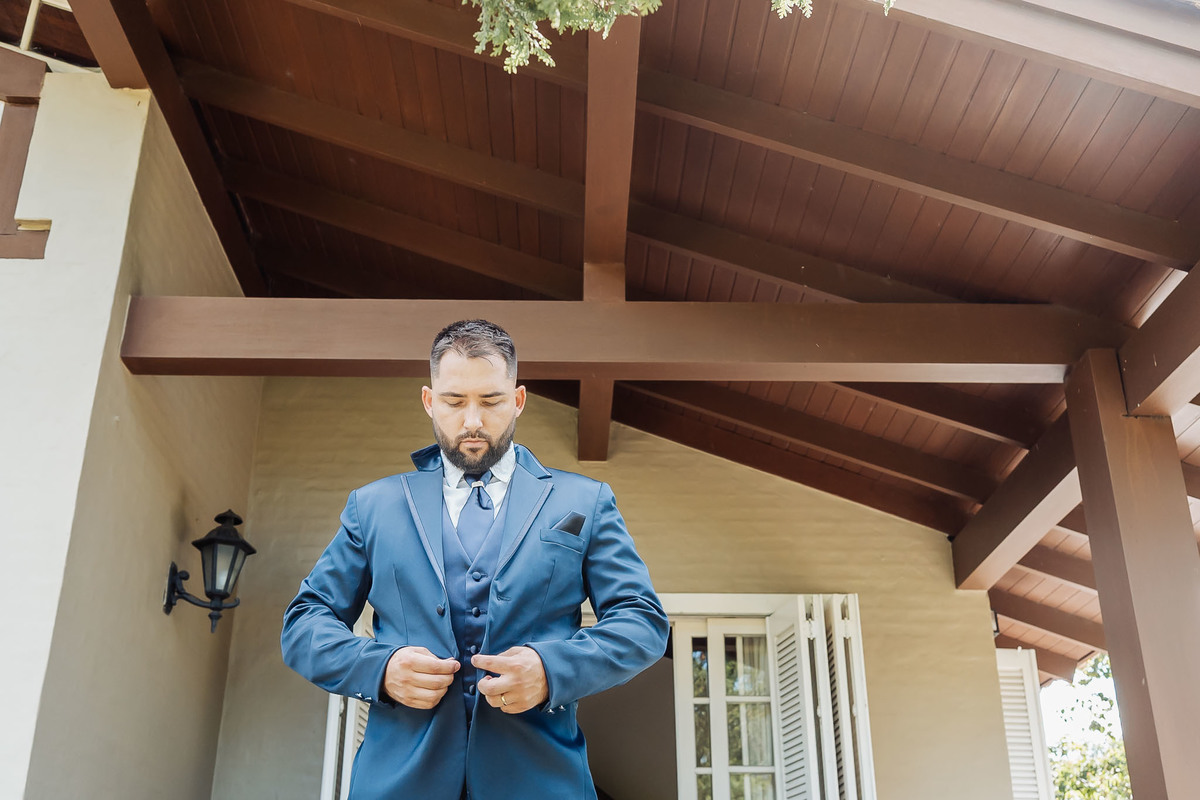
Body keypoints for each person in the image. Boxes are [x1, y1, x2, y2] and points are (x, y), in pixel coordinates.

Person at [281, 319, 669, 800]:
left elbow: (643, 622)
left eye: (490, 401)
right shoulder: (373, 505)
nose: (472, 421)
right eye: (453, 401)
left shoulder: (584, 501)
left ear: (518, 400)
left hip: (541, 781)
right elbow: (303, 624)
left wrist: (552, 669)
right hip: (397, 782)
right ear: (428, 401)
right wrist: (379, 669)